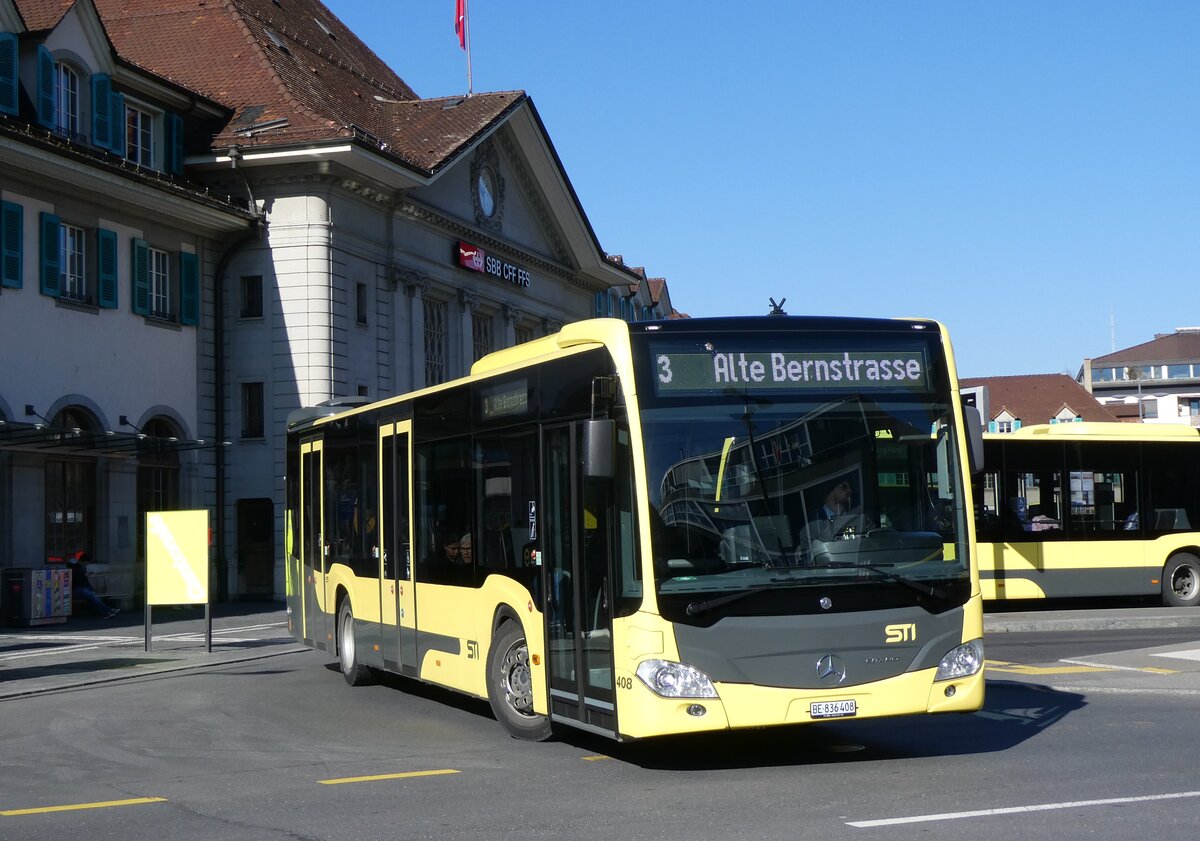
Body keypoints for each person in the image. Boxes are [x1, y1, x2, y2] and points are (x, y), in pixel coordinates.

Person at [67, 552, 119, 619]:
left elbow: (85, 582)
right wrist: (82, 573)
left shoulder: (81, 568)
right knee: (91, 596)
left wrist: (91, 589)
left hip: (82, 588)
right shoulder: (75, 568)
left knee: (92, 596)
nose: (87, 565)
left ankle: (107, 612)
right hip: (75, 589)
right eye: (86, 563)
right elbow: (76, 580)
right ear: (82, 562)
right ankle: (108, 611)